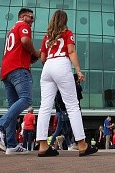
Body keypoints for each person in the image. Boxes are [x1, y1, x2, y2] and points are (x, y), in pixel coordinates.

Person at [35, 10, 97, 157]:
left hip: (48, 66)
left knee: (45, 106)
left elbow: (42, 58)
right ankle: (82, 144)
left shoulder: (47, 37)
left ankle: (43, 146)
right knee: (72, 105)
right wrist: (79, 70)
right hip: (62, 64)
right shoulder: (67, 33)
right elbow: (71, 51)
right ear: (65, 20)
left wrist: (50, 66)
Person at [0, 8, 40, 155]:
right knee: (26, 99)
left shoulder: (11, 30)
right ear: (22, 17)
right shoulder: (23, 25)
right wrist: (35, 52)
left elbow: (18, 47)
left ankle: (11, 145)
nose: (32, 20)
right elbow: (25, 41)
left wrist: (29, 56)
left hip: (7, 70)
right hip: (18, 68)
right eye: (30, 17)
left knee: (13, 107)